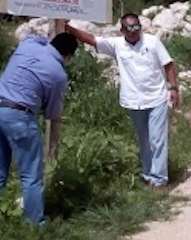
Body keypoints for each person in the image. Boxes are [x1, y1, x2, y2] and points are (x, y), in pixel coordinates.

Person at [65, 13, 179, 189]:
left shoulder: (152, 42)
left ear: (140, 27)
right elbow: (93, 40)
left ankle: (159, 180)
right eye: (129, 28)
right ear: (122, 30)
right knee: (144, 141)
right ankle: (148, 175)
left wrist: (173, 89)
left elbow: (168, 65)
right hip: (134, 101)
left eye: (136, 27)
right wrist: (69, 28)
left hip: (156, 98)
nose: (133, 32)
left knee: (158, 140)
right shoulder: (117, 45)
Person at [0, 32, 78, 225]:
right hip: (19, 115)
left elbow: (31, 36)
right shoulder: (58, 74)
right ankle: (35, 224)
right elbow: (52, 113)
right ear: (68, 56)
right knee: (30, 175)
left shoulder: (28, 46)